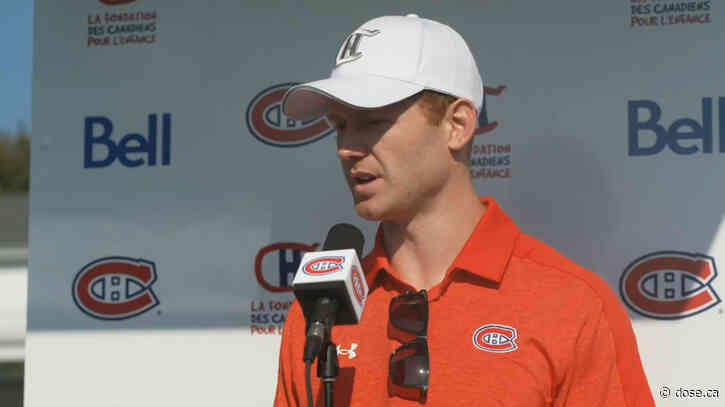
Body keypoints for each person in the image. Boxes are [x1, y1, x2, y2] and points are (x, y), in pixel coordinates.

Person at [274, 14, 655, 407]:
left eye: (372, 121)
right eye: (339, 125)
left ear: (457, 125)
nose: (347, 147)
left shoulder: (575, 306)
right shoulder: (318, 315)